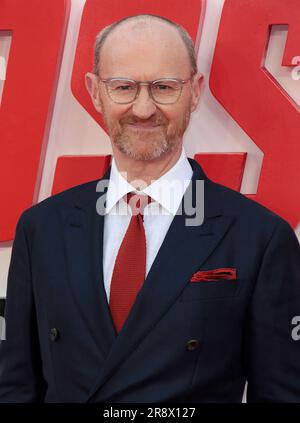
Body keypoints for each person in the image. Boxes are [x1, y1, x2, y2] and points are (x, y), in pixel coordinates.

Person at [0, 14, 299, 403]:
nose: (143, 109)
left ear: (194, 91)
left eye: (164, 87)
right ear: (95, 92)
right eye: (123, 87)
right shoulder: (41, 228)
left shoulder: (259, 237)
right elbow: (14, 387)